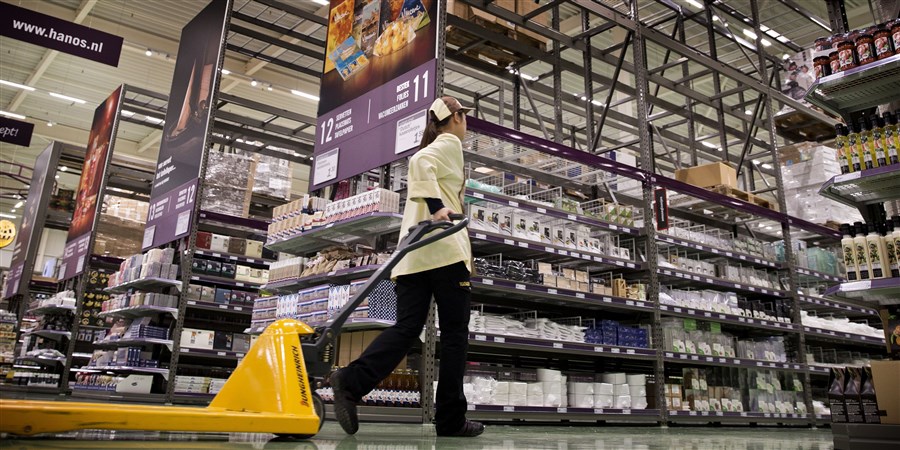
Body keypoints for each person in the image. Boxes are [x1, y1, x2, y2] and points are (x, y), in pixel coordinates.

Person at [330, 96, 484, 438]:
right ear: (455, 118)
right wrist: (438, 206)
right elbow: (420, 162)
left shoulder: (438, 144)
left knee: (406, 328)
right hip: (443, 252)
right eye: (464, 117)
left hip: (414, 255)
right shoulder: (448, 143)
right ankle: (450, 420)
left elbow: (420, 164)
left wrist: (434, 202)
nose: (466, 123)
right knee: (455, 335)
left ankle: (351, 382)